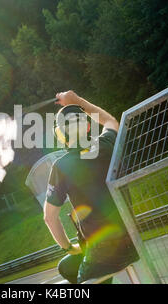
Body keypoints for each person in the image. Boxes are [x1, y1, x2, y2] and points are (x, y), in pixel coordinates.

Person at [43, 90, 139, 284]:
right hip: (132, 241)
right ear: (88, 127)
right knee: (66, 267)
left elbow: (49, 218)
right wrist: (78, 101)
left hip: (103, 254)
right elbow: (111, 121)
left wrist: (69, 248)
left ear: (60, 135)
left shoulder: (61, 166)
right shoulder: (107, 145)